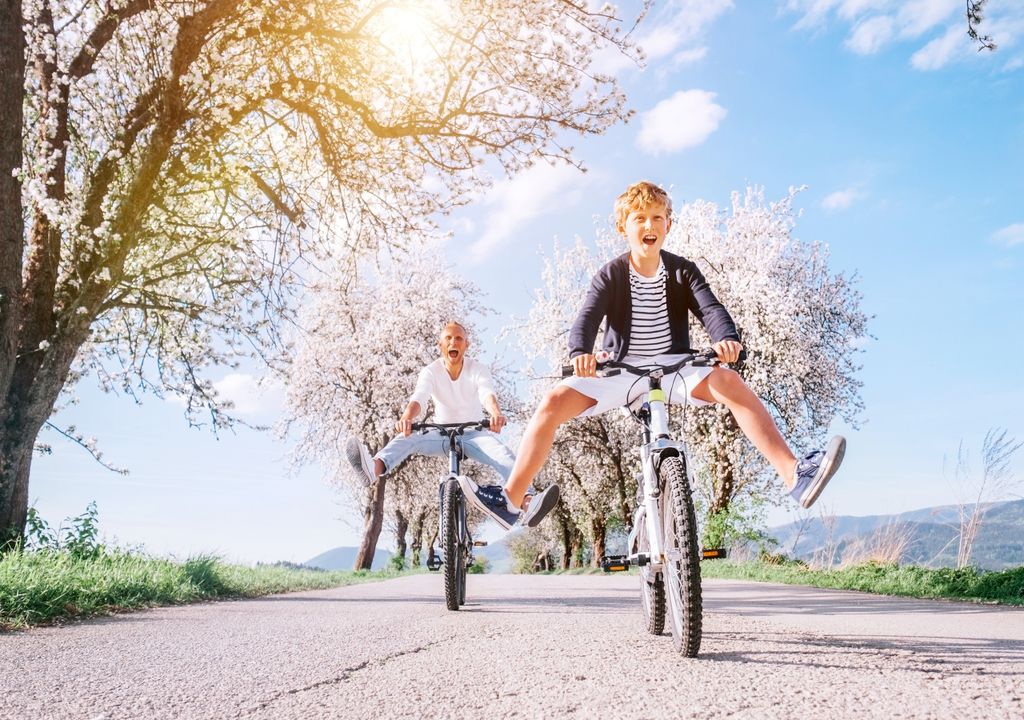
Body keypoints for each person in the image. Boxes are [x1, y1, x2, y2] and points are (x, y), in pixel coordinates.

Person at [461, 180, 846, 529]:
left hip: (675, 367)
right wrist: (581, 352)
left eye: (657, 218)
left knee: (731, 382)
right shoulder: (610, 274)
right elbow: (586, 319)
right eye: (639, 218)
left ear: (668, 225)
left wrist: (726, 338)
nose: (649, 226)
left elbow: (710, 309)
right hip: (621, 372)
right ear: (623, 228)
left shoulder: (683, 271)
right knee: (553, 402)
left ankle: (795, 475)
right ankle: (512, 499)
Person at [346, 321, 553, 529]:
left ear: (466, 345)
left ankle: (527, 501)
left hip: (473, 435)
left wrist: (495, 414)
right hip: (440, 434)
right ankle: (374, 468)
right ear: (440, 345)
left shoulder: (477, 369)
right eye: (448, 338)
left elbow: (486, 393)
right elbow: (420, 397)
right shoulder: (430, 371)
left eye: (459, 338)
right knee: (407, 438)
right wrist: (407, 416)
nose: (453, 342)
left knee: (503, 455)